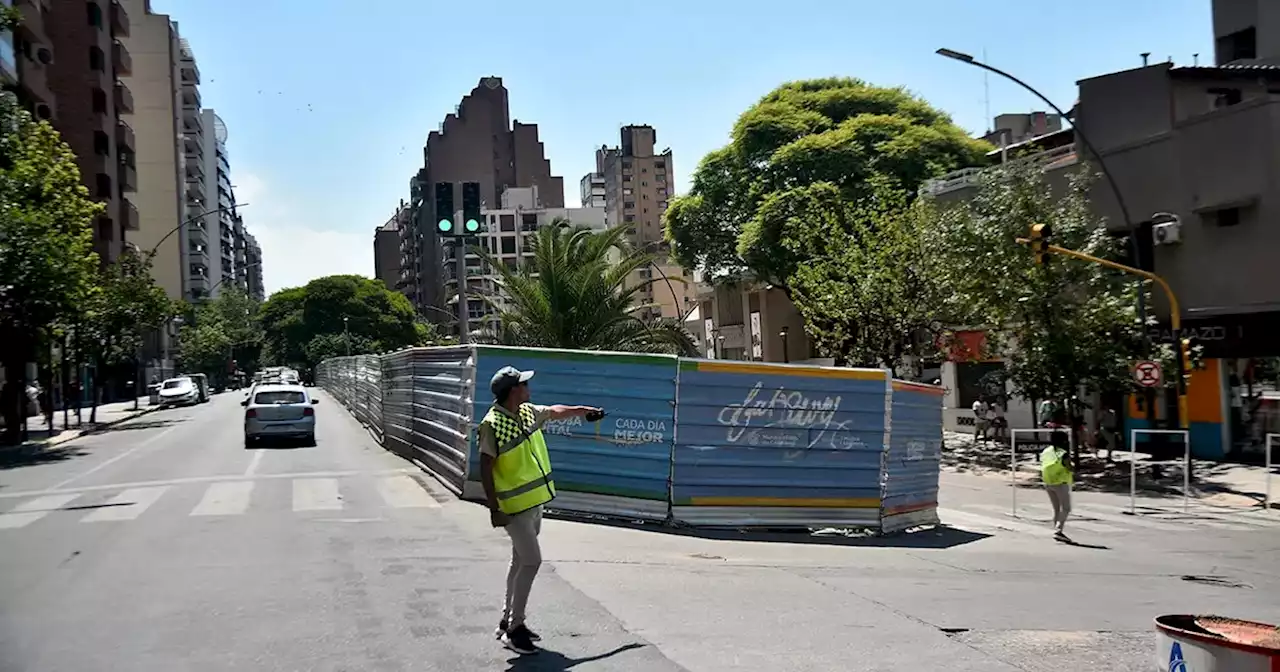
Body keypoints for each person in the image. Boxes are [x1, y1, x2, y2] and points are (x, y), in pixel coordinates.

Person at [477, 365, 604, 655]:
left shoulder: (526, 412)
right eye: (523, 383)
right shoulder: (492, 424)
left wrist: (584, 410)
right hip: (513, 507)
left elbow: (555, 410)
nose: (527, 386)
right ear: (513, 391)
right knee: (532, 562)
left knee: (519, 561)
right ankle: (515, 628)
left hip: (533, 502)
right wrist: (493, 508)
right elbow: (485, 467)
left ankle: (506, 620)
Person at [1040, 431, 1074, 542]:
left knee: (1056, 509)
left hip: (1048, 482)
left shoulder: (1046, 451)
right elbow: (1069, 467)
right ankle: (1058, 531)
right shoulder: (1063, 453)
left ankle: (1056, 530)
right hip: (1060, 483)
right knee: (1066, 508)